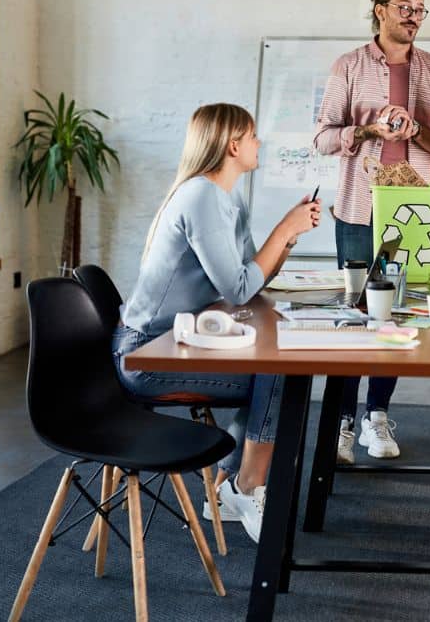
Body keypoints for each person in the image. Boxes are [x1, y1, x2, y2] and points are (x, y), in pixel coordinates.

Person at [112, 103, 321, 543]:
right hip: (148, 353)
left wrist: (287, 238)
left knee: (277, 367)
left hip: (179, 341)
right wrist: (282, 229)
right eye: (253, 135)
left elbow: (248, 277)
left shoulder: (228, 197)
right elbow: (241, 289)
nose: (259, 142)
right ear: (233, 145)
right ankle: (248, 486)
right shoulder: (201, 196)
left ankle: (230, 485)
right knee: (281, 372)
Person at [312, 0, 430, 464]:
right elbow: (323, 137)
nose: (413, 17)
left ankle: (377, 415)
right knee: (354, 311)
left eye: (420, 9)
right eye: (404, 8)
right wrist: (367, 129)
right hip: (358, 206)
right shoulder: (348, 65)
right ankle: (344, 424)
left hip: (410, 212)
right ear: (380, 9)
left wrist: (419, 130)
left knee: (392, 311)